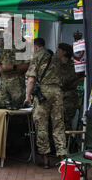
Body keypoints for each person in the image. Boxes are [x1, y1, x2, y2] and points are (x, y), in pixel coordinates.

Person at [24, 37, 67, 169]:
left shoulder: (37, 56)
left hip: (43, 93)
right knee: (58, 125)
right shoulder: (55, 57)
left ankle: (45, 159)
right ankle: (62, 158)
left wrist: (27, 97)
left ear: (36, 47)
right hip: (58, 92)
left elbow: (31, 80)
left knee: (41, 125)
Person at [0, 19, 30, 108]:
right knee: (1, 108)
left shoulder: (25, 44)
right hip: (3, 81)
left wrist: (13, 67)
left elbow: (28, 65)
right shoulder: (5, 42)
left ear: (17, 26)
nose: (7, 26)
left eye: (10, 24)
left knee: (17, 109)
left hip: (16, 82)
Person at [56, 43, 82, 132]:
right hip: (57, 97)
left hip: (69, 98)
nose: (57, 52)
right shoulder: (55, 65)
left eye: (59, 50)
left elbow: (66, 81)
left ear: (64, 52)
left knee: (66, 123)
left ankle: (67, 144)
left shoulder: (74, 66)